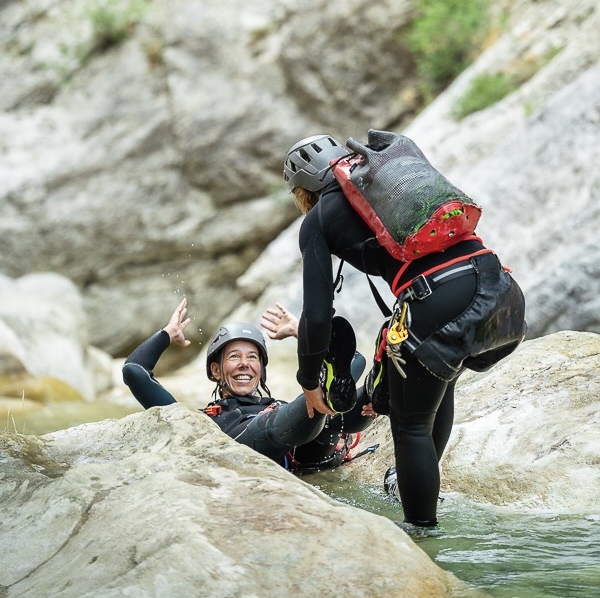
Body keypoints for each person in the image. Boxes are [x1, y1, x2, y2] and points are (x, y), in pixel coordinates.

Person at [271, 133, 526, 534]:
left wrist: (308, 381)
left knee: (410, 425)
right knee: (443, 380)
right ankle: (412, 486)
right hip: (502, 291)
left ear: (303, 191)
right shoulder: (386, 184)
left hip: (439, 301)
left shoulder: (318, 219)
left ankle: (422, 533)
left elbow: (318, 315)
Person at [122, 297, 377, 472]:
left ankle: (375, 391)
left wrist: (302, 332)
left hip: (310, 450)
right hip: (253, 442)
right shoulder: (198, 422)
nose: (245, 364)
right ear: (215, 370)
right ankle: (325, 395)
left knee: (336, 407)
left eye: (252, 357)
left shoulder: (277, 404)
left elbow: (354, 361)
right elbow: (134, 372)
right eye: (234, 357)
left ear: (261, 369)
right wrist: (168, 333)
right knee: (306, 408)